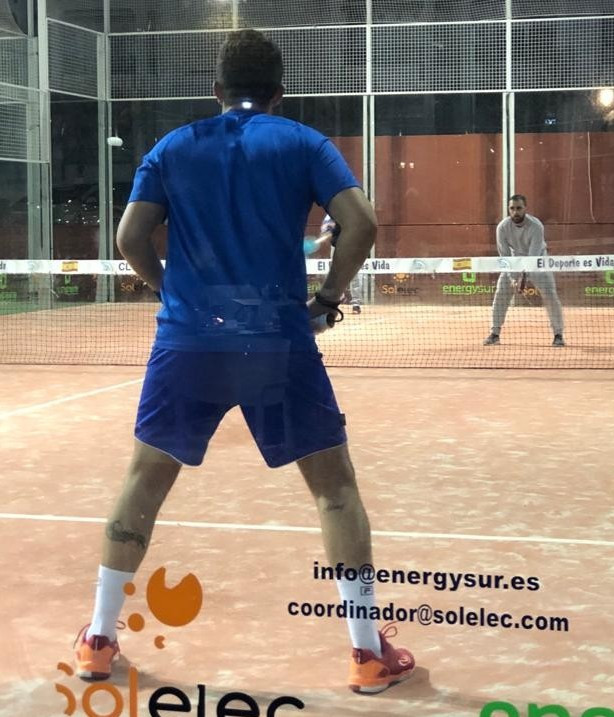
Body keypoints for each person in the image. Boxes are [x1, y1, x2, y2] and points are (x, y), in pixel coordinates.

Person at [74, 29, 414, 694]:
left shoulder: (173, 147)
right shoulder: (303, 143)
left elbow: (129, 236)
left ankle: (97, 640)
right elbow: (363, 223)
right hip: (277, 341)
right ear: (279, 93)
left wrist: (169, 288)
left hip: (188, 342)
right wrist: (327, 299)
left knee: (144, 480)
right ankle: (366, 653)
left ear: (217, 91)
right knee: (335, 490)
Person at [483, 194, 565, 347]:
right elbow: (505, 257)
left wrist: (523, 278)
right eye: (512, 208)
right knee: (501, 293)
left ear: (525, 208)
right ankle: (495, 333)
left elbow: (533, 256)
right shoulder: (502, 228)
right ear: (509, 209)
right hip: (514, 262)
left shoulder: (536, 226)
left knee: (550, 295)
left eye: (519, 208)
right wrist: (513, 278)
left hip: (538, 261)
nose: (515, 212)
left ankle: (558, 334)